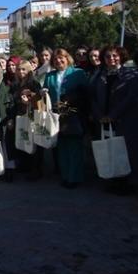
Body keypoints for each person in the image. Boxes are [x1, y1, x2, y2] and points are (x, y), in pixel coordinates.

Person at [90, 45, 138, 192]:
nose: (111, 59)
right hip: (105, 121)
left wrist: (113, 115)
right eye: (108, 56)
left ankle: (130, 183)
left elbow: (131, 97)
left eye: (115, 56)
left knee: (128, 151)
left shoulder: (131, 74)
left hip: (125, 120)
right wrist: (99, 115)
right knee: (110, 151)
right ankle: (113, 181)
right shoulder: (99, 75)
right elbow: (92, 97)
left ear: (121, 56)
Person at [44, 49, 89, 188]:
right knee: (62, 147)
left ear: (67, 59)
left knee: (74, 147)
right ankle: (65, 176)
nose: (59, 61)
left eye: (61, 58)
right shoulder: (50, 76)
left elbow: (86, 94)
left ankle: (74, 178)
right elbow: (46, 91)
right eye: (56, 59)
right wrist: (43, 91)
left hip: (73, 114)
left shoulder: (77, 73)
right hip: (56, 115)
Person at [10, 61, 43, 179]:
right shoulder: (15, 84)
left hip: (32, 115)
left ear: (29, 70)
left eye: (23, 69)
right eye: (18, 69)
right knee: (24, 139)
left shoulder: (34, 83)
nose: (20, 72)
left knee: (33, 142)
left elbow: (39, 99)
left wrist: (30, 100)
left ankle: (36, 169)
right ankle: (25, 166)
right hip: (20, 115)